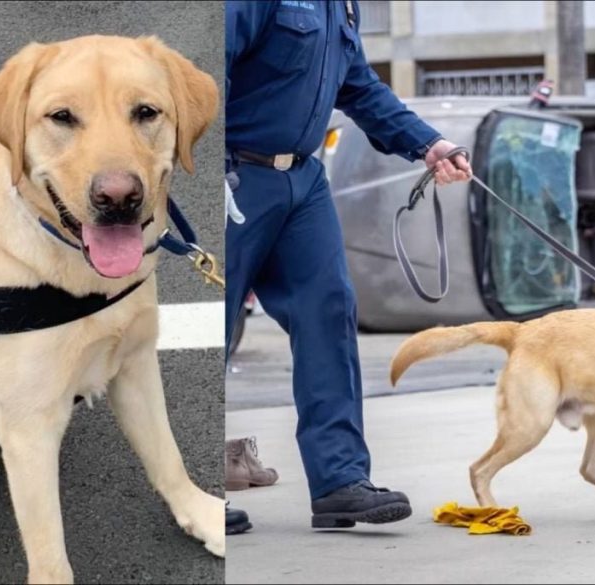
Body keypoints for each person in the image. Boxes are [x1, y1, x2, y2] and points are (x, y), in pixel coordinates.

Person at [224, 0, 471, 534]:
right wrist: (203, 169)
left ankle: (339, 480)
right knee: (211, 322)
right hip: (235, 171)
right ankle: (192, 484)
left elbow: (358, 86)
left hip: (302, 181)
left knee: (329, 311)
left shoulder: (342, 6)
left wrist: (428, 143)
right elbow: (206, 68)